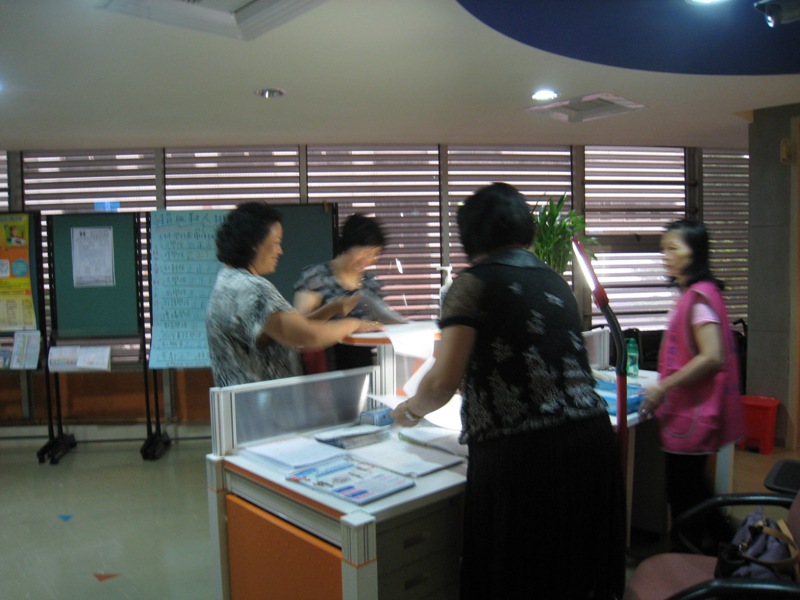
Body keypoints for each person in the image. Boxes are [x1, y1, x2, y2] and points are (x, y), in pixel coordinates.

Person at [390, 183, 625, 600]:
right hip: (591, 443)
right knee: (574, 576)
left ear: (470, 237)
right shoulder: (554, 280)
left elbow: (442, 382)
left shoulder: (471, 284)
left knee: (518, 579)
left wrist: (408, 411)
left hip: (526, 456)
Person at [637, 219, 743, 551]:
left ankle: (698, 556)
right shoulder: (694, 294)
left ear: (695, 251)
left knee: (686, 495)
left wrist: (664, 387)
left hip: (693, 413)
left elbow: (713, 356)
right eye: (663, 249)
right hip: (688, 412)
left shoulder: (698, 299)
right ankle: (724, 549)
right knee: (693, 490)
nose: (665, 256)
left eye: (673, 248)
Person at [205, 202, 382, 387]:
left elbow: (283, 330)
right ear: (253, 244)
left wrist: (332, 309)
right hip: (261, 400)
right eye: (276, 243)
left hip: (244, 399)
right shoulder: (252, 289)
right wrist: (354, 324)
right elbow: (307, 336)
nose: (280, 251)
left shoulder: (228, 280)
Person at [293, 214, 406, 371]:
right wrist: (335, 312)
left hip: (363, 367)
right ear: (349, 245)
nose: (369, 259)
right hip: (325, 367)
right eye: (365, 252)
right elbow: (298, 327)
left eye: (375, 254)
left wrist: (381, 324)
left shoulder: (369, 282)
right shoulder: (316, 277)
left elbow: (377, 322)